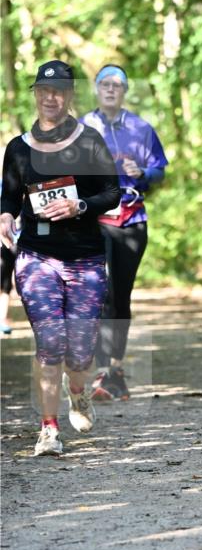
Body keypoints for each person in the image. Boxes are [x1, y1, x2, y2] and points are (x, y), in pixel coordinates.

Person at [0, 60, 120, 456]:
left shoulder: (89, 142)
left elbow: (112, 193)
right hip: (37, 257)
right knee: (50, 342)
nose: (50, 98)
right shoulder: (18, 148)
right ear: (35, 94)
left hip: (84, 257)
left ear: (70, 97)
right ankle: (48, 429)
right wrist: (4, 214)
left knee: (80, 349)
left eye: (59, 92)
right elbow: (10, 196)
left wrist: (79, 205)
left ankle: (78, 391)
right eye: (43, 91)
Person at [81, 65, 168, 400]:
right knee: (100, 291)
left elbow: (160, 171)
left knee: (120, 294)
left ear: (125, 91)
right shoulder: (82, 128)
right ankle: (102, 371)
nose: (111, 90)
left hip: (131, 221)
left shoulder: (140, 128)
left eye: (117, 85)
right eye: (105, 84)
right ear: (96, 89)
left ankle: (115, 369)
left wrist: (143, 171)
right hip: (94, 220)